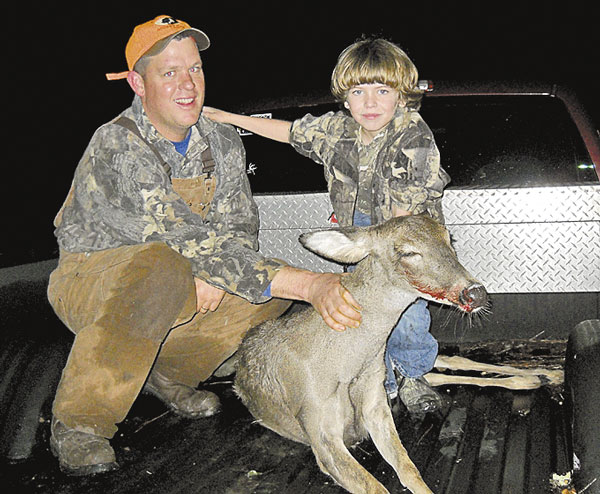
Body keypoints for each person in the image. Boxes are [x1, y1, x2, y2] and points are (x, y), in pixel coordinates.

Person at [47, 15, 362, 476]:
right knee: (166, 268)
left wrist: (221, 272)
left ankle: (164, 376)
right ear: (138, 83)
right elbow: (180, 238)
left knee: (262, 296)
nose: (188, 84)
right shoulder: (117, 145)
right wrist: (312, 284)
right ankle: (79, 422)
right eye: (169, 72)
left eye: (194, 68)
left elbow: (238, 226)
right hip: (92, 279)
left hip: (180, 268)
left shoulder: (221, 139)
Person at [203, 37, 450, 415]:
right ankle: (378, 380)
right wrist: (228, 118)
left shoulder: (414, 136)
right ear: (345, 98)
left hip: (405, 239)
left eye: (383, 91)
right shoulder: (337, 131)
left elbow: (402, 221)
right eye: (358, 91)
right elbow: (289, 132)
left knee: (406, 312)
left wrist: (385, 264)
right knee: (360, 310)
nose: (370, 103)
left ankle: (413, 374)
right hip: (359, 232)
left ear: (401, 97)